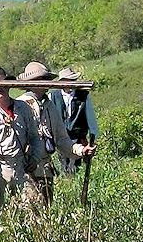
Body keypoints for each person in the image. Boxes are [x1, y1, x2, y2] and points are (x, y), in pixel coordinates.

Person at [0, 66, 43, 238]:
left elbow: (35, 137)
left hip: (21, 166)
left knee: (30, 214)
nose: (0, 88)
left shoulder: (24, 109)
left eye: (3, 84)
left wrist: (34, 158)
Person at [16, 61, 95, 204]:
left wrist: (81, 150)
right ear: (32, 82)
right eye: (42, 79)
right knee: (31, 214)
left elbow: (62, 139)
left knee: (46, 212)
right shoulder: (19, 106)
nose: (46, 82)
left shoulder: (49, 105)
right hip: (26, 171)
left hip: (46, 170)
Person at [51, 67, 99, 174]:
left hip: (79, 138)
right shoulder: (53, 97)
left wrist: (93, 137)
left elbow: (91, 119)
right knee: (64, 166)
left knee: (76, 168)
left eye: (73, 80)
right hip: (60, 139)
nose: (72, 83)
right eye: (69, 80)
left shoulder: (83, 96)